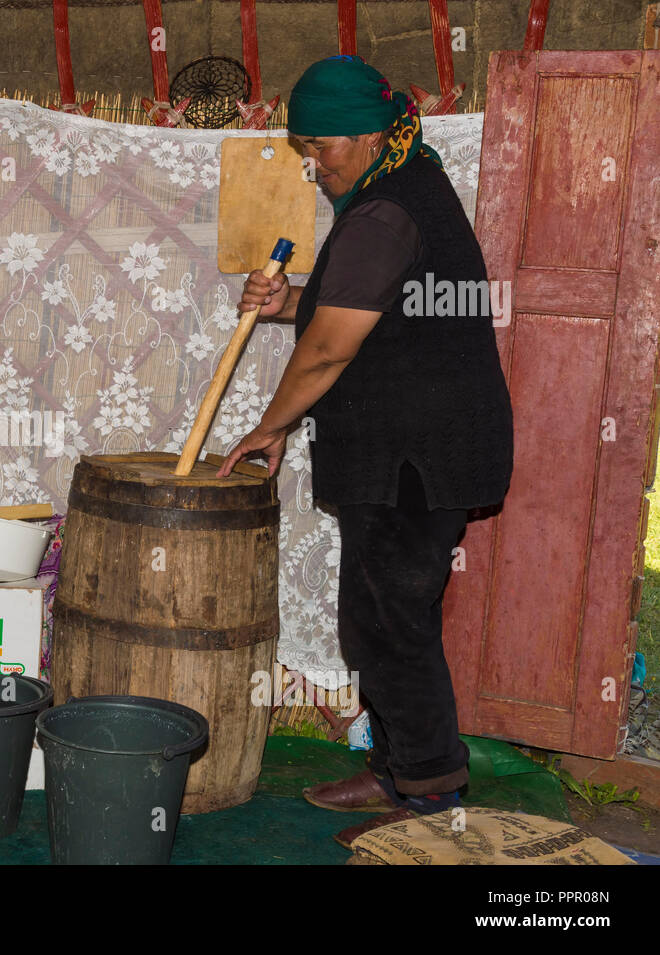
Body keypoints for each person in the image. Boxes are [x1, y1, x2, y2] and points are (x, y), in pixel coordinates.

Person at [215, 55, 513, 846]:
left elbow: (327, 352)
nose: (314, 166)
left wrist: (269, 425)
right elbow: (360, 305)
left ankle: (427, 795)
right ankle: (396, 764)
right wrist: (289, 302)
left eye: (323, 148)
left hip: (420, 451)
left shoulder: (388, 208)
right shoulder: (402, 180)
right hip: (409, 445)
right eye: (304, 149)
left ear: (370, 131)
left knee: (391, 621)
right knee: (374, 614)